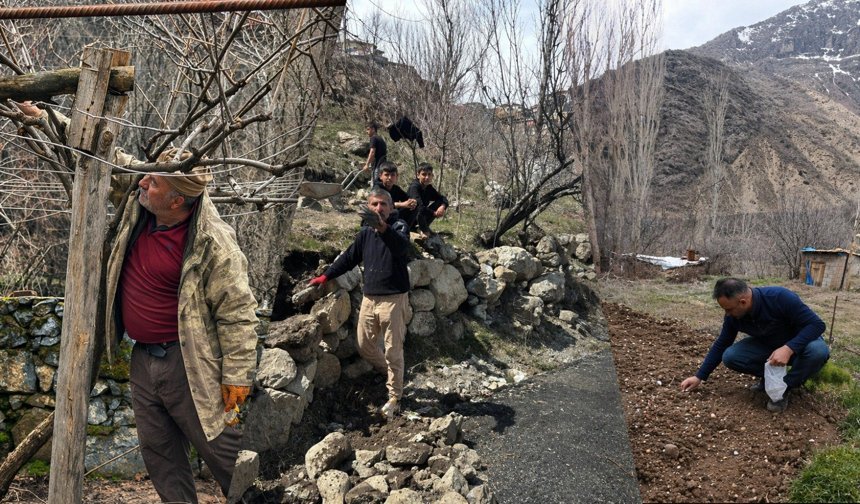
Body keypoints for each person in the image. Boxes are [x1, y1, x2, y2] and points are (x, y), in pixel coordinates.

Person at [104, 149, 259, 503]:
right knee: (161, 458)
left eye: (153, 181)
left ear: (177, 201)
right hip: (143, 360)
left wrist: (236, 377)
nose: (142, 182)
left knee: (226, 459)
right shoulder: (141, 203)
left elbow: (236, 312)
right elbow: (107, 154)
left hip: (189, 366)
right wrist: (44, 118)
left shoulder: (214, 243)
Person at [308, 187, 412, 420]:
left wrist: (382, 227)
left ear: (392, 207)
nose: (379, 208)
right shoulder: (365, 233)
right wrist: (326, 275)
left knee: (394, 349)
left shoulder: (399, 226)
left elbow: (402, 248)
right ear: (368, 207)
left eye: (383, 204)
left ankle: (395, 396)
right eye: (374, 204)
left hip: (394, 299)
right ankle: (389, 372)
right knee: (364, 345)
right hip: (370, 297)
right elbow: (349, 257)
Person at [679, 277, 829, 413]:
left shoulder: (779, 297)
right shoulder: (733, 316)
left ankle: (784, 388)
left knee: (818, 351)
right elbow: (722, 343)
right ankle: (771, 381)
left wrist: (789, 348)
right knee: (731, 356)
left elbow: (817, 325)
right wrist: (700, 376)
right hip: (769, 346)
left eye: (729, 309)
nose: (728, 314)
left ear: (743, 302)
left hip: (800, 344)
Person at [407, 162, 448, 237]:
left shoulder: (428, 188)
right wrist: (434, 213)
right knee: (419, 211)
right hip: (410, 220)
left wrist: (442, 206)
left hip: (421, 218)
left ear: (432, 176)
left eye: (429, 174)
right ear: (418, 175)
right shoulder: (414, 187)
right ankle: (422, 229)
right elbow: (419, 207)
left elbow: (442, 198)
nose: (427, 177)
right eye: (424, 174)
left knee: (439, 202)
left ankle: (422, 228)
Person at [374, 161, 417, 227]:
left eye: (392, 175)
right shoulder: (377, 188)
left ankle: (407, 229)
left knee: (413, 208)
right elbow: (382, 204)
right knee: (395, 212)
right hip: (379, 217)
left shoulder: (396, 188)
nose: (389, 178)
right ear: (380, 176)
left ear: (397, 176)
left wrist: (412, 202)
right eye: (386, 175)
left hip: (391, 214)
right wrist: (402, 204)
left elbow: (407, 198)